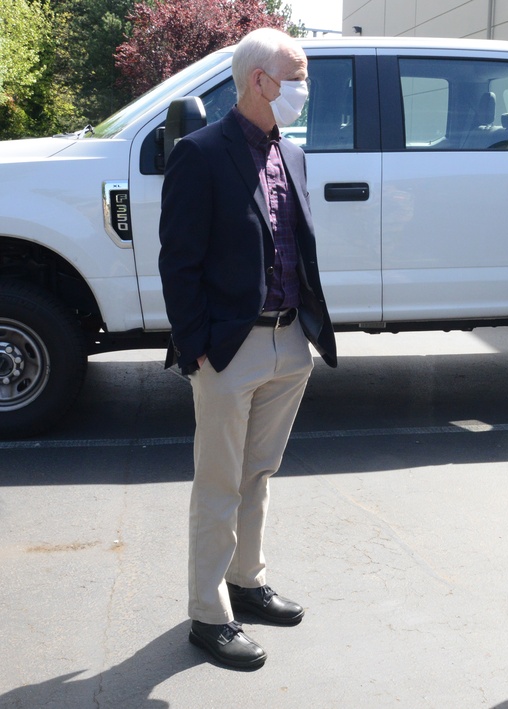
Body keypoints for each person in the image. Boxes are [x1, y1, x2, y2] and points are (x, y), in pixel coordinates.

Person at [158, 27, 336, 670]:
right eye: (297, 76)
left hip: (291, 343)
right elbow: (178, 261)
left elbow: (299, 245)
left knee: (258, 475)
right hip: (230, 351)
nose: (304, 89)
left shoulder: (294, 154)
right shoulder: (201, 154)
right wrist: (197, 347)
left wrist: (309, 332)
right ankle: (208, 614)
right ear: (260, 81)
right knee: (218, 484)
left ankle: (246, 582)